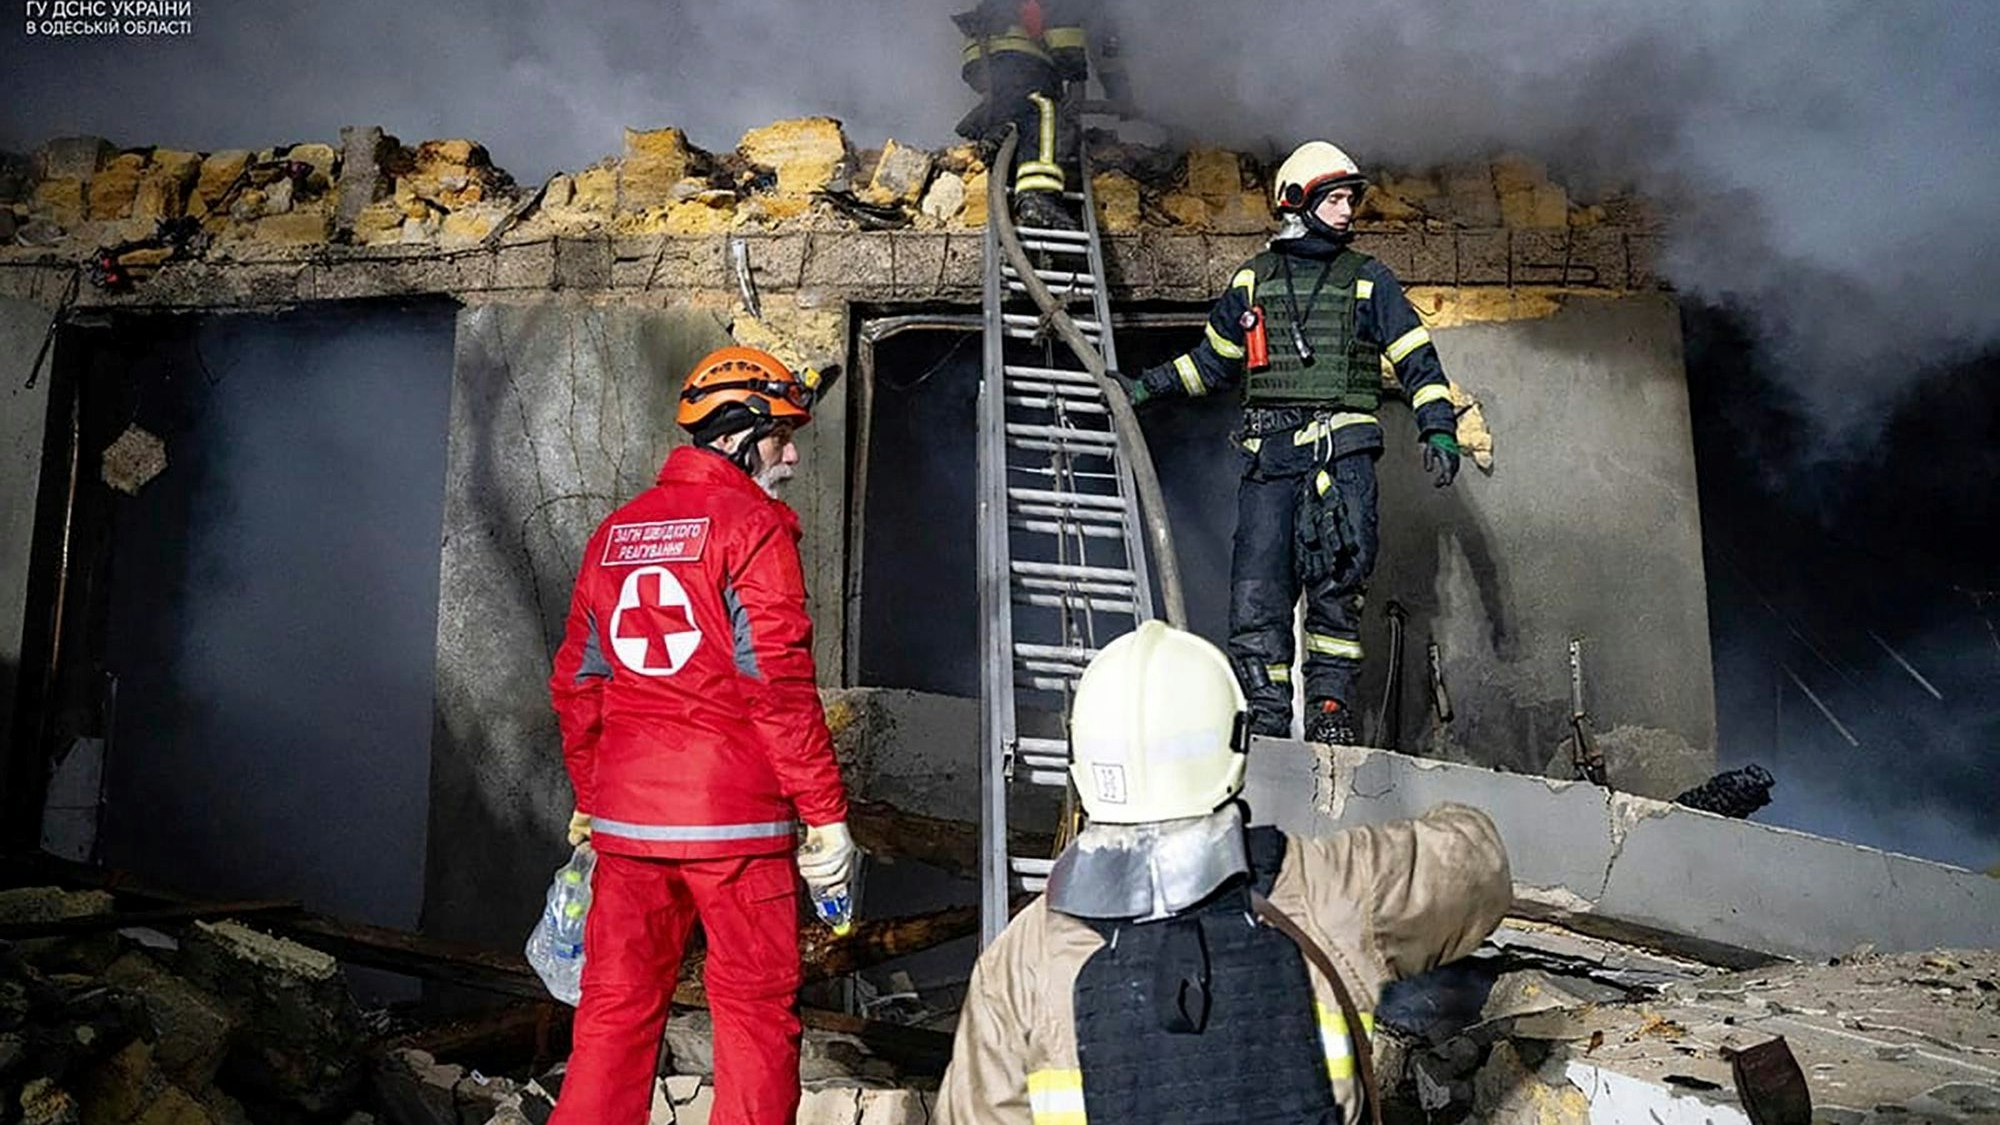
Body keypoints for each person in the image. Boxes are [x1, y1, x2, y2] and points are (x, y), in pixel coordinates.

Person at [936, 621, 1509, 1125]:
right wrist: (1440, 813)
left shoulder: (1020, 963)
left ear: (1083, 764)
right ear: (1234, 746)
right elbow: (1477, 865)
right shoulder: (1324, 887)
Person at [547, 345, 856, 1125]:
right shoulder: (752, 528)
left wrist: (592, 797)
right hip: (736, 826)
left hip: (628, 830)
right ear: (737, 433)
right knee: (753, 1014)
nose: (790, 453)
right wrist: (824, 815)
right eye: (782, 433)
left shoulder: (614, 533)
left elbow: (578, 683)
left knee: (613, 1012)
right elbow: (777, 688)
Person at [1113, 141, 1465, 745]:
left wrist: (1438, 424)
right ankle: (1266, 722)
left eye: (1351, 199)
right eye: (1335, 198)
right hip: (1269, 463)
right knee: (1257, 596)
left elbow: (1416, 359)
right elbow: (1214, 363)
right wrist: (1146, 388)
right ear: (1296, 200)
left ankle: (1330, 715)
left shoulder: (1368, 280)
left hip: (1340, 462)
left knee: (1337, 594)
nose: (1347, 210)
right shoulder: (1253, 280)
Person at [953, 0, 1131, 230]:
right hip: (1017, 50)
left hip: (982, 52)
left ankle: (997, 132)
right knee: (1044, 107)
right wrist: (1077, 80)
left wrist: (1122, 96)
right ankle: (1037, 196)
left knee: (1018, 103)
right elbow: (1063, 30)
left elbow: (1107, 57)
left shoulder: (1099, 16)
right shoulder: (1089, 7)